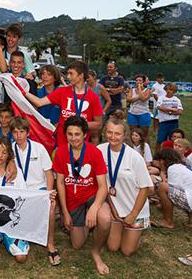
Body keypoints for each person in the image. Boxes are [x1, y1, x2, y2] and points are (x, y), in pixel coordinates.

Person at [53, 116, 111, 275]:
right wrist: (65, 212)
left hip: (92, 195)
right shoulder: (61, 152)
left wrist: (95, 208)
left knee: (105, 218)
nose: (73, 138)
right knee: (77, 245)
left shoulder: (94, 152)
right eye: (70, 134)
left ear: (85, 134)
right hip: (73, 200)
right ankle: (87, 223)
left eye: (77, 134)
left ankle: (96, 251)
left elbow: (103, 186)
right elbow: (60, 184)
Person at [9, 117, 60, 266]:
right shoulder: (10, 150)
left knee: (50, 208)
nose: (18, 135)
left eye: (22, 131)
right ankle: (21, 237)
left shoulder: (39, 148)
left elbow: (49, 173)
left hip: (39, 189)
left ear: (28, 133)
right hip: (19, 190)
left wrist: (49, 193)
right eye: (15, 132)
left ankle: (50, 244)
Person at [98, 118, 152, 257]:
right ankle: (120, 226)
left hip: (135, 208)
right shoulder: (100, 150)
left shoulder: (135, 157)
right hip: (115, 206)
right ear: (104, 132)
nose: (113, 137)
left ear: (124, 135)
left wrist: (133, 214)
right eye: (109, 132)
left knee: (127, 251)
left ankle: (135, 230)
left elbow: (145, 188)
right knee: (113, 247)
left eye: (117, 133)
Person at [26, 61, 103, 152]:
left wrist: (80, 124)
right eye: (68, 74)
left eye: (71, 74)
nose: (68, 77)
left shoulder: (93, 97)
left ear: (81, 75)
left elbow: (99, 124)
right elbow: (39, 102)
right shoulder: (62, 91)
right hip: (62, 146)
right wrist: (22, 91)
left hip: (80, 147)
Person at [151, 148, 192, 228]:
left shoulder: (173, 169)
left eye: (159, 165)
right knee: (163, 187)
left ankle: (167, 221)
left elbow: (169, 190)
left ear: (163, 161)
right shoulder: (180, 167)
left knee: (162, 186)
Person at [155, 83, 183, 152]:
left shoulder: (177, 100)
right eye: (169, 89)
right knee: (160, 141)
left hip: (174, 123)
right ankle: (158, 155)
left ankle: (172, 154)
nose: (170, 91)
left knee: (174, 141)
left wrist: (168, 112)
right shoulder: (161, 98)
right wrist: (171, 110)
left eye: (172, 90)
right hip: (163, 123)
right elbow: (159, 107)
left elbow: (180, 112)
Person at [125, 74, 152, 138]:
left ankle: (145, 147)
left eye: (140, 80)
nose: (138, 82)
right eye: (136, 80)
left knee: (143, 134)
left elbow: (143, 99)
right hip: (132, 113)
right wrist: (138, 97)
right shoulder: (132, 89)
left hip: (144, 113)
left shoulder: (148, 90)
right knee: (133, 133)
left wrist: (139, 88)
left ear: (144, 82)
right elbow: (128, 99)